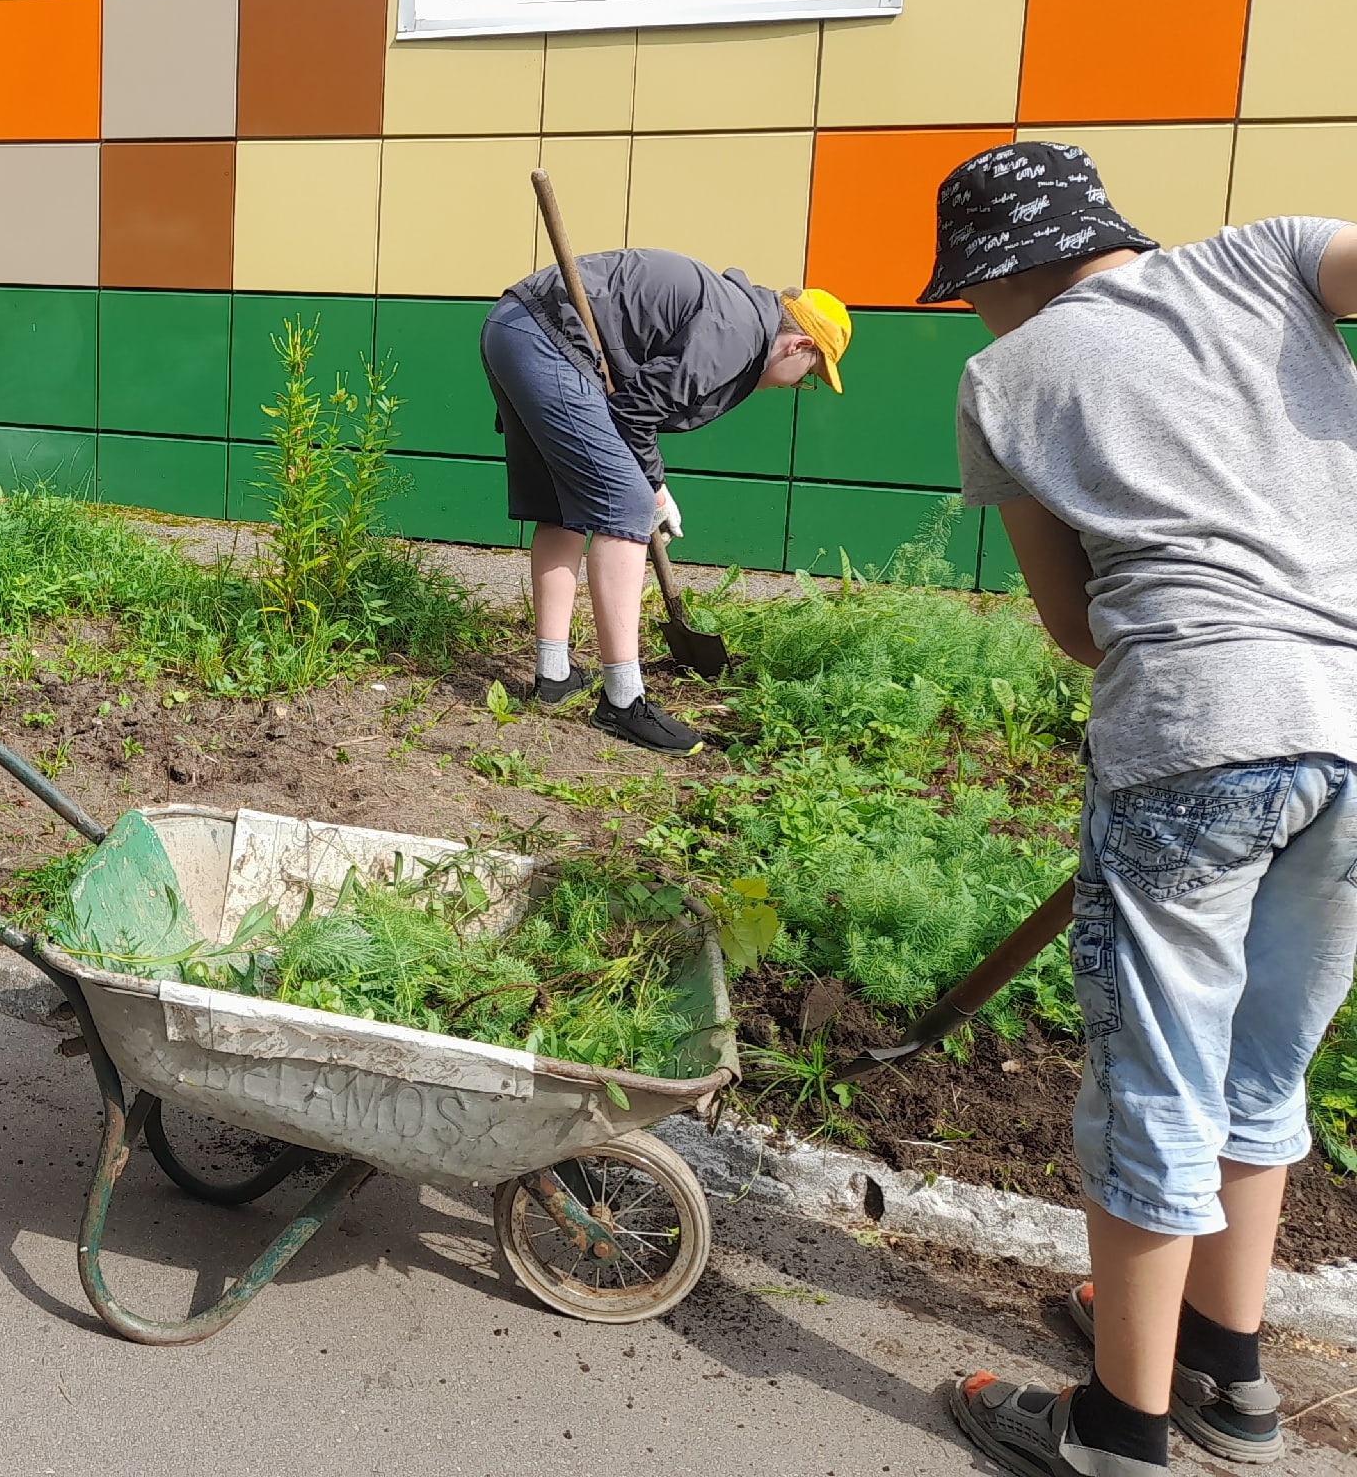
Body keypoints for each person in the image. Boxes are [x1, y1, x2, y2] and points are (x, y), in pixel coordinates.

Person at [932, 142, 1357, 1477]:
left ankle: (1120, 1428)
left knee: (1155, 1084)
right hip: (1356, 727)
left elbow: (1075, 628)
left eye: (970, 290)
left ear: (1005, 272)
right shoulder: (1266, 256)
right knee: (1260, 1068)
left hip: (1196, 733)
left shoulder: (1005, 377)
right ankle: (1227, 1380)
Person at [479, 249, 848, 753]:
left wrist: (652, 482)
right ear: (798, 345)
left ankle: (554, 673)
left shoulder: (734, 316)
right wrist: (652, 487)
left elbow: (636, 401)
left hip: (513, 327)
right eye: (809, 374)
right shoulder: (735, 332)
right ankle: (624, 702)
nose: (799, 386)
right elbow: (633, 412)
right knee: (626, 508)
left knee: (561, 507)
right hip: (548, 338)